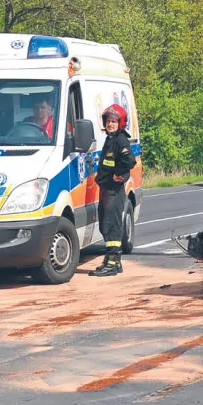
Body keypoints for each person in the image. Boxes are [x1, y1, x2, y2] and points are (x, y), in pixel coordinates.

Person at [90, 103, 135, 277]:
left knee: (111, 225)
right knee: (104, 224)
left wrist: (119, 174)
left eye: (114, 122)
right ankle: (111, 260)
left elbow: (129, 161)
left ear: (120, 123)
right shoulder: (111, 139)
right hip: (106, 188)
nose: (110, 124)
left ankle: (113, 262)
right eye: (108, 121)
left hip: (113, 191)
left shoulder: (121, 140)